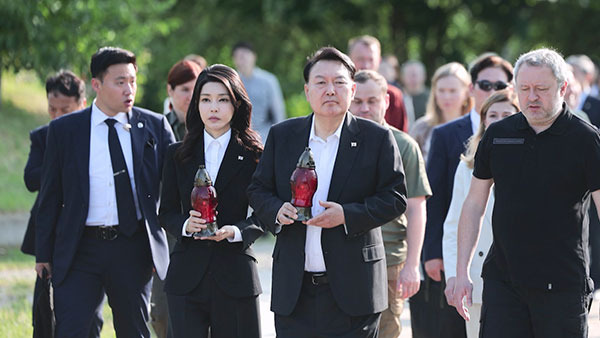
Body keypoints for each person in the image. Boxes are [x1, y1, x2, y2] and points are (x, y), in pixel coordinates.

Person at [247, 47, 407, 337]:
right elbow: (258, 189)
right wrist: (276, 210)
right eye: (321, 82)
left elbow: (395, 198)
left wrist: (347, 215)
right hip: (294, 290)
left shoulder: (377, 138)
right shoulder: (283, 135)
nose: (330, 90)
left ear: (352, 89)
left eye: (339, 82)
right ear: (308, 91)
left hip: (355, 290)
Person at [453, 48, 600, 338]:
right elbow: (473, 204)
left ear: (563, 88)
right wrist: (461, 272)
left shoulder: (586, 140)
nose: (532, 97)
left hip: (562, 285)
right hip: (503, 283)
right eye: (524, 89)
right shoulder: (497, 135)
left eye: (541, 89)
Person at [35, 47, 175, 337]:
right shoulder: (64, 131)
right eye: (120, 81)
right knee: (72, 329)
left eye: (133, 81)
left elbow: (176, 186)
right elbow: (49, 195)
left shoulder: (153, 126)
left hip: (132, 246)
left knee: (134, 329)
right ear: (96, 85)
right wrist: (43, 254)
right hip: (79, 247)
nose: (129, 89)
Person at [410, 53, 513, 338]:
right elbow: (438, 200)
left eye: (499, 84)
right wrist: (434, 254)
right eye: (485, 84)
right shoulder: (447, 137)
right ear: (473, 87)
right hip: (466, 254)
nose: (492, 91)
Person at [159, 64, 264, 338]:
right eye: (206, 100)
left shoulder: (255, 155)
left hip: (236, 274)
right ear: (196, 105)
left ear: (237, 104)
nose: (213, 108)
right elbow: (166, 211)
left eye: (222, 99)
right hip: (186, 279)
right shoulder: (177, 154)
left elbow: (265, 214)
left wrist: (238, 231)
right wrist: (185, 224)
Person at [22, 70, 105, 338]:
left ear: (82, 104)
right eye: (52, 109)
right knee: (44, 306)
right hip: (50, 229)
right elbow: (30, 179)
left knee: (88, 310)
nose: (57, 116)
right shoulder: (42, 136)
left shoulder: (96, 136)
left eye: (65, 110)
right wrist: (59, 166)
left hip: (85, 233)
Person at [350, 69, 432, 337]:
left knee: (385, 331)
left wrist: (412, 265)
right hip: (343, 254)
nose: (364, 108)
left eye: (372, 101)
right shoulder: (335, 140)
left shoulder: (404, 145)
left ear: (386, 101)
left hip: (389, 257)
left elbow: (417, 207)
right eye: (358, 101)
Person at [442, 90, 519, 338]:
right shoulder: (467, 168)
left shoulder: (533, 162)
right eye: (492, 115)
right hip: (477, 277)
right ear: (483, 121)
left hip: (522, 278)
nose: (498, 120)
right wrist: (455, 275)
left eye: (506, 114)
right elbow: (454, 224)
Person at [409, 62, 473, 163]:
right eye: (441, 90)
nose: (446, 97)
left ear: (466, 93)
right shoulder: (421, 128)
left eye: (453, 91)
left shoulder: (476, 127)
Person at [348, 35, 409, 132]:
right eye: (360, 59)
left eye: (371, 59)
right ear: (349, 60)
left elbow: (400, 136)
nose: (366, 65)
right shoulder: (340, 93)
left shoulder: (393, 95)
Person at [232, 41, 286, 142]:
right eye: (238, 56)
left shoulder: (269, 80)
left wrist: (280, 139)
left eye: (245, 55)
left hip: (265, 137)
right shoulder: (231, 82)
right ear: (234, 60)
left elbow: (278, 112)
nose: (242, 59)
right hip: (238, 138)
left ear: (254, 56)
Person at [165, 60, 203, 141]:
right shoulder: (159, 126)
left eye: (196, 89)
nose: (192, 96)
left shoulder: (211, 126)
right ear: (170, 90)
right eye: (185, 89)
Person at [401, 60, 430, 124]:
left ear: (424, 76)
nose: (412, 78)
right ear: (402, 77)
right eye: (409, 75)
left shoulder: (431, 98)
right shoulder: (397, 99)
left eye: (415, 75)